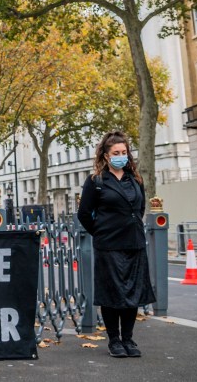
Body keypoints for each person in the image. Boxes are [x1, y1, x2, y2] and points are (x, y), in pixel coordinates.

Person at [77, 131, 155, 359]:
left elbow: (139, 209)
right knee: (112, 294)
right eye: (116, 153)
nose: (121, 156)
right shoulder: (96, 181)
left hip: (134, 243)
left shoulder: (136, 179)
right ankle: (114, 340)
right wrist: (100, 232)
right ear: (106, 155)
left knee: (132, 294)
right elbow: (83, 214)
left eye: (124, 152)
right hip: (108, 245)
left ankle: (128, 339)